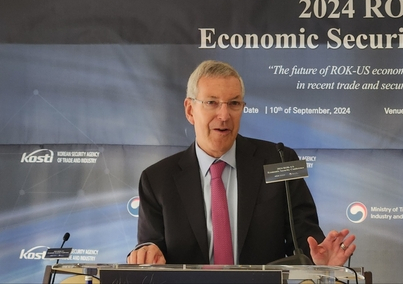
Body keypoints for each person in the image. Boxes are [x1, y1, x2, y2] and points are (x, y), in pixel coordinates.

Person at [127, 60, 356, 266]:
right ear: (190, 109)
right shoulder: (157, 179)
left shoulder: (280, 159)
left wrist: (319, 260)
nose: (224, 115)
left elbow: (305, 237)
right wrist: (146, 253)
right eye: (212, 102)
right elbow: (150, 248)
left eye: (234, 103)